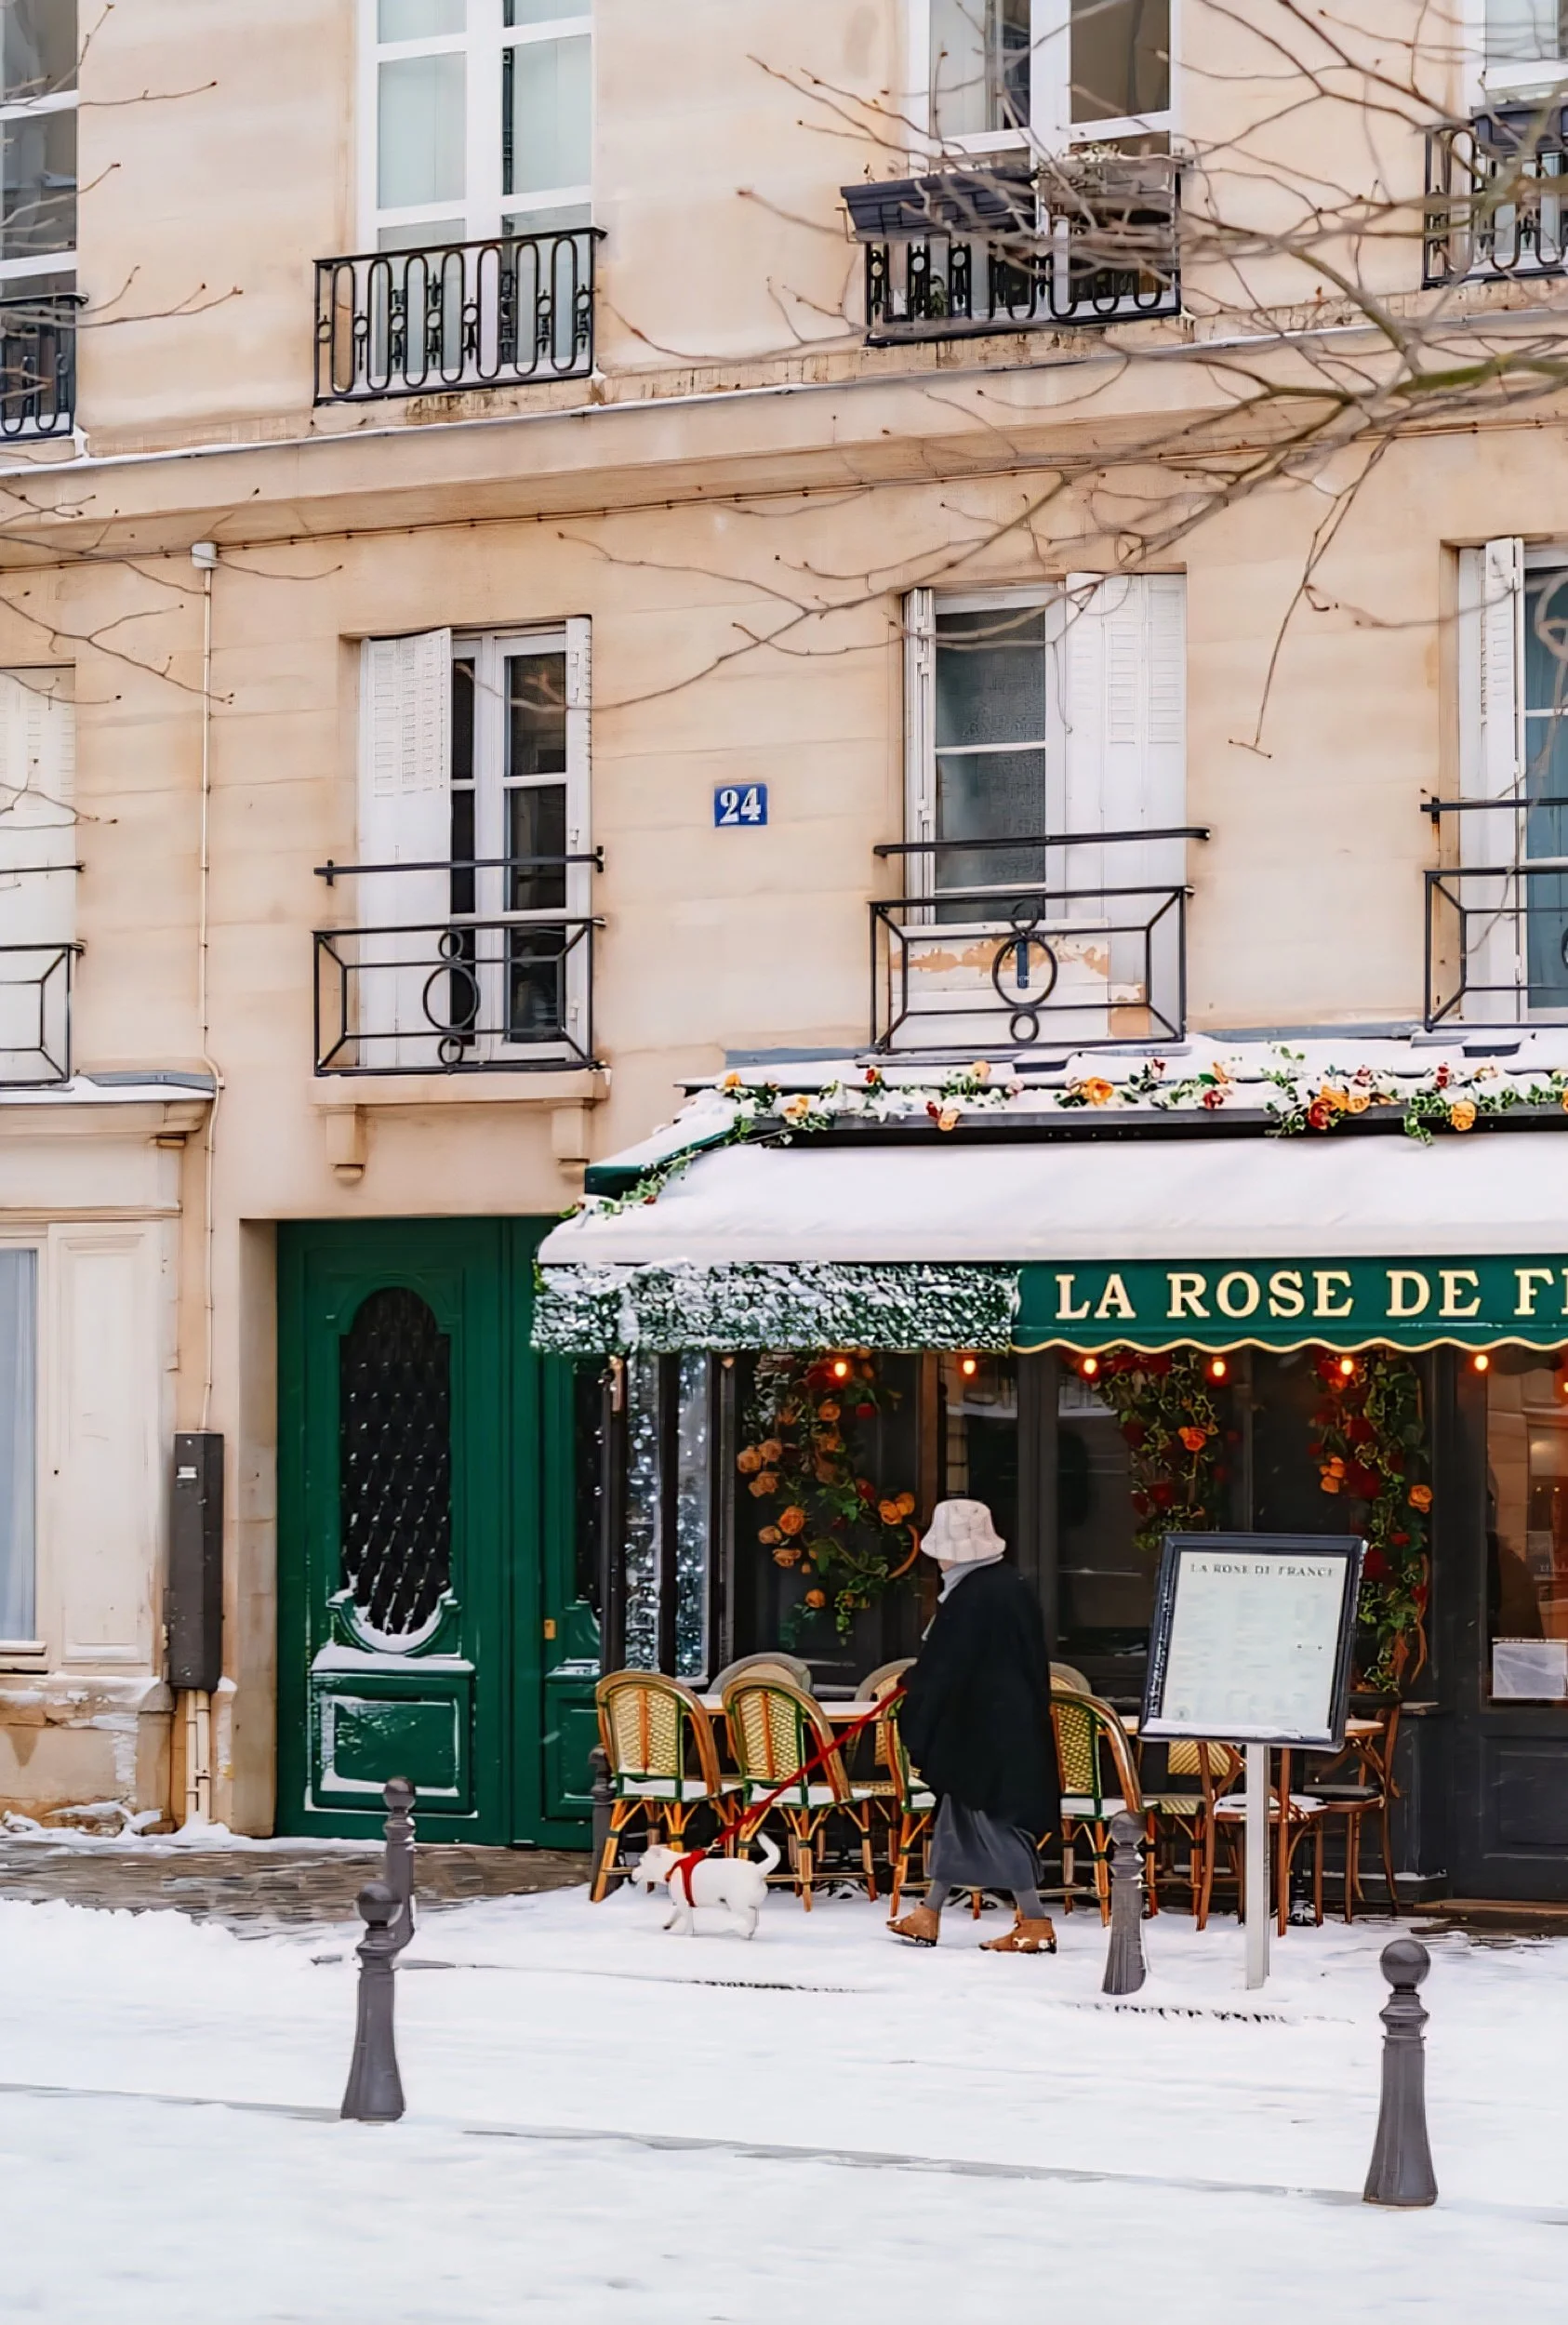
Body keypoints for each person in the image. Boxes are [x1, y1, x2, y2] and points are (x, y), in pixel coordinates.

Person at [888, 1497, 1060, 1954]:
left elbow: (950, 1664)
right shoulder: (1003, 1586)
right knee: (956, 1823)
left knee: (994, 1824)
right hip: (997, 1727)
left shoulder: (975, 1595)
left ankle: (1036, 1922)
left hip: (984, 1734)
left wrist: (917, 1689)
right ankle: (928, 1913)